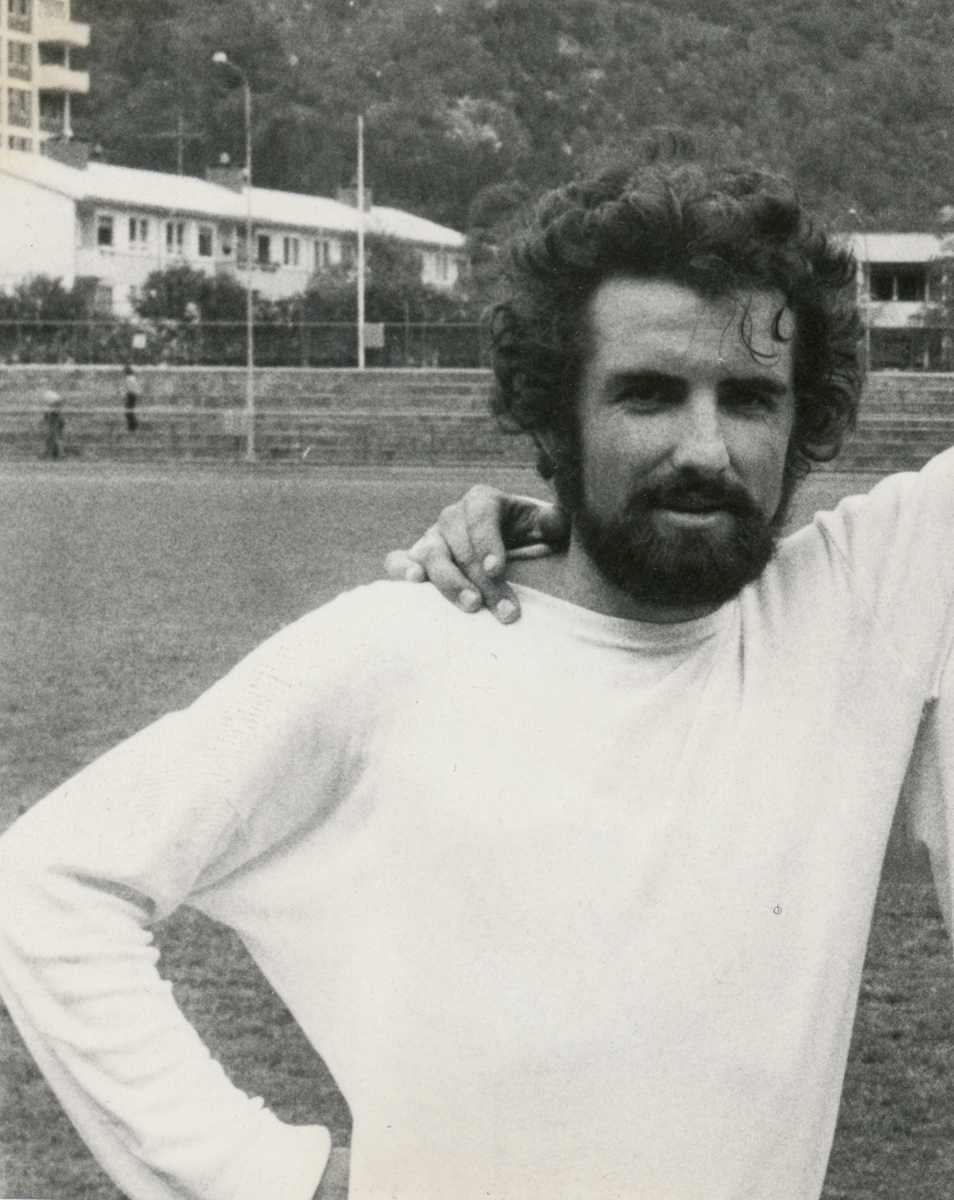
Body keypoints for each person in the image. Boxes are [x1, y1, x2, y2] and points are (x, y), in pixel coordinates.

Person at [1, 159, 952, 1200]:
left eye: (752, 397)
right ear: (553, 417)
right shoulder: (397, 649)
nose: (706, 446)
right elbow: (49, 879)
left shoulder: (854, 612)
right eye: (648, 394)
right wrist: (267, 1177)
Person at [42, 389, 65, 458]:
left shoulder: (53, 410)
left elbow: (50, 416)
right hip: (54, 422)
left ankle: (58, 453)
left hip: (55, 423)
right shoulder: (55, 409)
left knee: (54, 437)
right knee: (53, 437)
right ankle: (54, 453)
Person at [124, 362, 141, 432]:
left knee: (128, 411)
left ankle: (132, 426)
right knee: (129, 410)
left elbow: (131, 387)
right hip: (132, 394)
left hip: (131, 394)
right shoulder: (132, 378)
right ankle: (133, 425)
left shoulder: (129, 379)